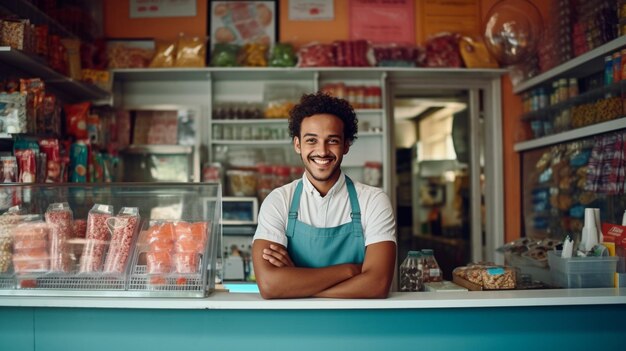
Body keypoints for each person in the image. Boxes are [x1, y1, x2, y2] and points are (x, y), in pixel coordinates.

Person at [251, 92, 397, 299]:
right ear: (297, 144)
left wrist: (295, 284)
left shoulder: (373, 201)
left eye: (333, 140)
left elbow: (377, 284)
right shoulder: (279, 201)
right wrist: (350, 271)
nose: (322, 151)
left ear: (346, 145)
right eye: (311, 140)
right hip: (297, 325)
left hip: (359, 325)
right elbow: (269, 285)